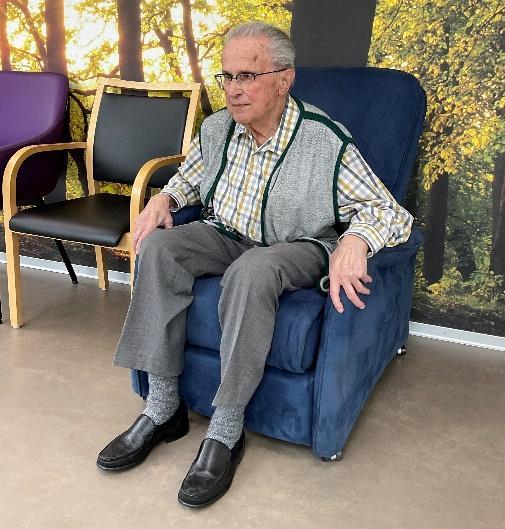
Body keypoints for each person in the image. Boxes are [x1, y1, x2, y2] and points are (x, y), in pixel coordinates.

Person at [97, 21, 413, 508]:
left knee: (253, 270)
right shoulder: (217, 128)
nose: (233, 89)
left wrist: (356, 239)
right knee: (159, 249)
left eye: (246, 76)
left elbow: (390, 213)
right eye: (226, 76)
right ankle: (163, 409)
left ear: (284, 80)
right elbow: (190, 177)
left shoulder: (324, 140)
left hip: (297, 245)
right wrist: (165, 198)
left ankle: (225, 431)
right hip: (226, 233)